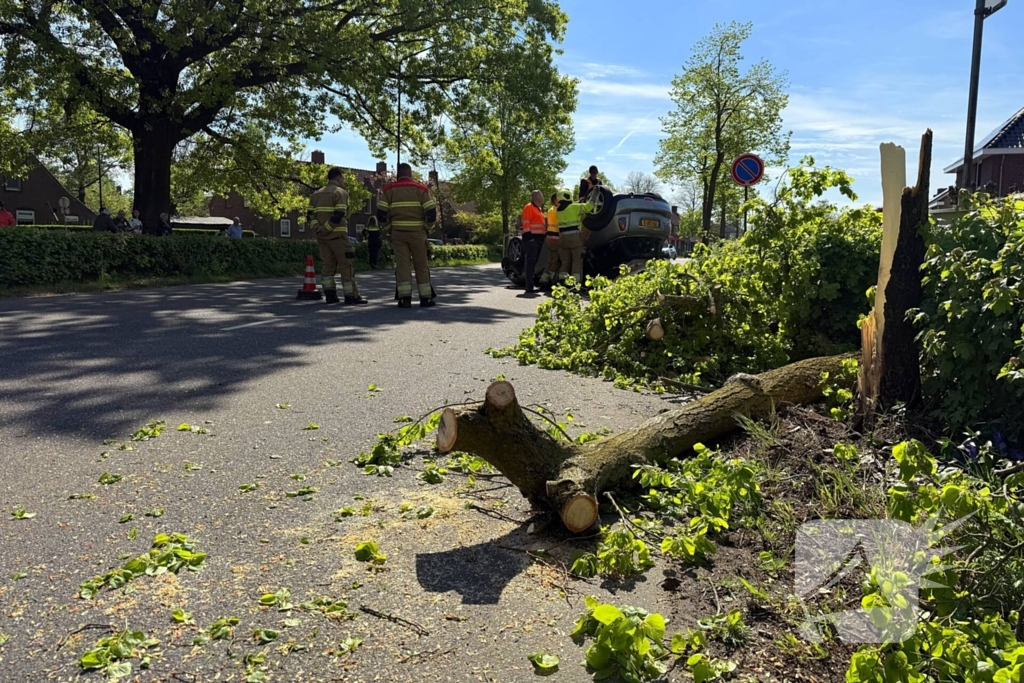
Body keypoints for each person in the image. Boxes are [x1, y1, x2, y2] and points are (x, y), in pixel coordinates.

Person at [378, 163, 436, 308]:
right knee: (421, 266)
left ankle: (404, 299)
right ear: (410, 174)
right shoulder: (421, 189)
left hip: (398, 234)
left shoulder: (389, 190)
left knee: (402, 266)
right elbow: (431, 212)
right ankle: (425, 298)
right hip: (418, 233)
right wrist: (426, 228)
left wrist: (389, 229)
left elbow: (381, 214)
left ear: (398, 175)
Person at [308, 166, 366, 305]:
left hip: (322, 237)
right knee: (347, 265)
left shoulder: (316, 194)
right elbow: (339, 214)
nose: (344, 181)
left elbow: (310, 215)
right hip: (337, 236)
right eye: (343, 178)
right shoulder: (340, 193)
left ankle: (330, 295)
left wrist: (318, 228)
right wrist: (327, 228)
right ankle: (351, 295)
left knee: (327, 265)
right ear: (338, 177)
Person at [556, 188, 595, 284]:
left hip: (562, 238)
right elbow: (589, 207)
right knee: (577, 260)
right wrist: (594, 196)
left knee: (565, 261)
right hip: (575, 237)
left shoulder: (558, 210)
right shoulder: (574, 207)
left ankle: (562, 281)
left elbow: (571, 209)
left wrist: (579, 202)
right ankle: (575, 284)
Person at [520, 190, 546, 294]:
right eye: (541, 195)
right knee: (530, 263)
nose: (543, 197)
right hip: (532, 240)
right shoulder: (529, 207)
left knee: (533, 263)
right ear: (536, 196)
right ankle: (529, 286)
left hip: (537, 240)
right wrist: (530, 238)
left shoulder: (538, 209)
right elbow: (526, 223)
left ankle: (531, 285)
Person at [539, 192, 561, 288]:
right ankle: (552, 281)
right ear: (555, 200)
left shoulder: (550, 210)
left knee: (550, 259)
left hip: (549, 237)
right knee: (555, 261)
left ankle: (544, 279)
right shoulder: (557, 210)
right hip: (556, 237)